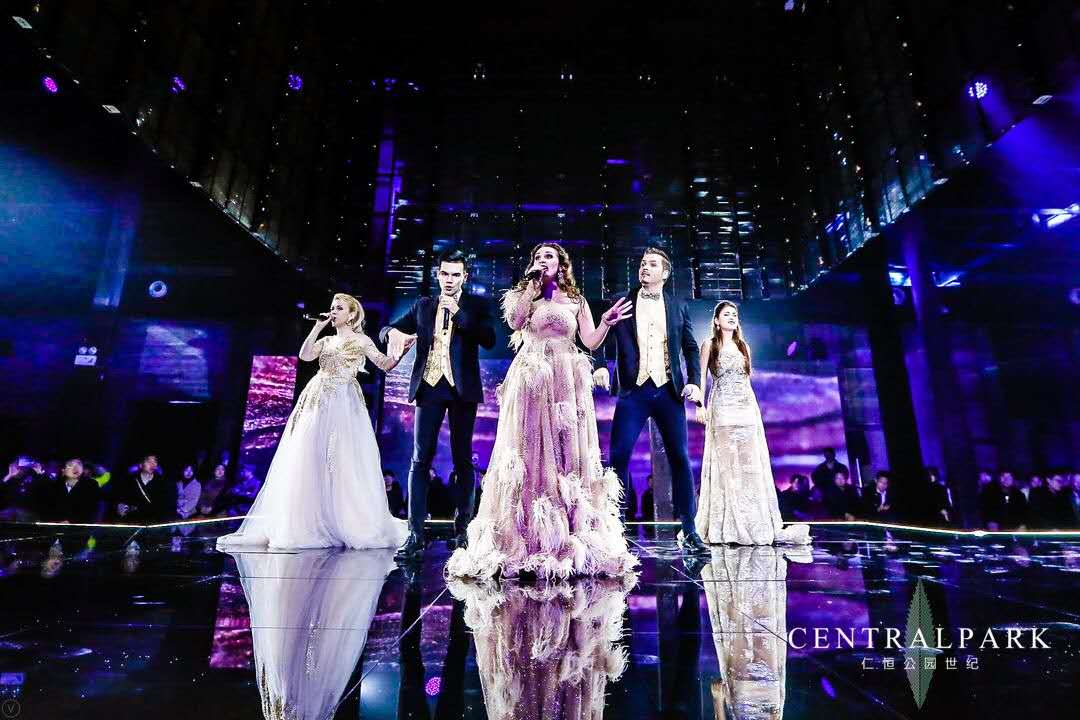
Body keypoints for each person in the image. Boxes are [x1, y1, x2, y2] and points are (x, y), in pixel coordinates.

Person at [446, 243, 637, 579]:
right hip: (532, 377)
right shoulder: (528, 295)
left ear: (561, 264)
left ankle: (569, 534)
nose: (542, 260)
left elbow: (590, 341)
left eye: (548, 256)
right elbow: (515, 322)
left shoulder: (576, 300)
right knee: (530, 447)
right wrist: (530, 288)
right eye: (537, 257)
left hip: (566, 378)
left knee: (567, 450)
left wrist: (606, 323)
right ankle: (525, 535)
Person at [217, 293, 408, 550]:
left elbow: (383, 364)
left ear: (352, 314)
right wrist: (317, 327)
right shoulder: (326, 340)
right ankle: (306, 520)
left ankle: (342, 519)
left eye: (339, 308)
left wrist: (400, 353)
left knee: (339, 458)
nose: (333, 311)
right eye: (332, 307)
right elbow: (305, 355)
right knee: (307, 454)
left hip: (343, 401)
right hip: (317, 398)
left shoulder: (362, 340)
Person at [382, 249, 497, 558]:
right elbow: (386, 329)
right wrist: (393, 334)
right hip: (429, 387)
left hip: (462, 390)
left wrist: (458, 313)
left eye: (455, 275)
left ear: (464, 277)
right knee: (420, 459)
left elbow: (489, 339)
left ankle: (463, 531)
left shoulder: (476, 305)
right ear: (438, 275)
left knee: (463, 460)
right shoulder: (423, 305)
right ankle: (415, 534)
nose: (449, 279)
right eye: (445, 273)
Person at [593, 248, 708, 554]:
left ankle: (690, 529)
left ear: (665, 273)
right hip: (634, 391)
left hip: (669, 391)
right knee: (618, 457)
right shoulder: (622, 300)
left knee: (680, 457)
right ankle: (615, 527)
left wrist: (695, 382)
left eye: (652, 264)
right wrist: (600, 364)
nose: (645, 267)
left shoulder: (678, 305)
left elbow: (690, 347)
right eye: (643, 263)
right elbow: (600, 334)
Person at [693, 301, 810, 545]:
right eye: (726, 314)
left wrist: (754, 413)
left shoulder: (744, 346)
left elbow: (747, 381)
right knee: (727, 466)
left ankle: (752, 522)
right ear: (716, 321)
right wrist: (700, 405)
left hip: (746, 409)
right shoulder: (709, 345)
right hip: (722, 408)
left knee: (749, 466)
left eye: (734, 314)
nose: (731, 317)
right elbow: (701, 377)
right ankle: (728, 523)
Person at [110, 455, 177, 523]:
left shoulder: (163, 483)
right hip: (133, 521)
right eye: (148, 461)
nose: (153, 464)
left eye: (155, 461)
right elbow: (119, 498)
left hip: (155, 522)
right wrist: (119, 505)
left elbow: (167, 505)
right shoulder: (130, 481)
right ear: (141, 465)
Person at [40, 458, 103, 523]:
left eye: (79, 464)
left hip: (81, 526)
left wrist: (71, 521)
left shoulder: (91, 485)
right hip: (56, 526)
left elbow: (91, 510)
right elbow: (47, 509)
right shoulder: (53, 486)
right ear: (63, 469)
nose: (76, 467)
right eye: (70, 465)